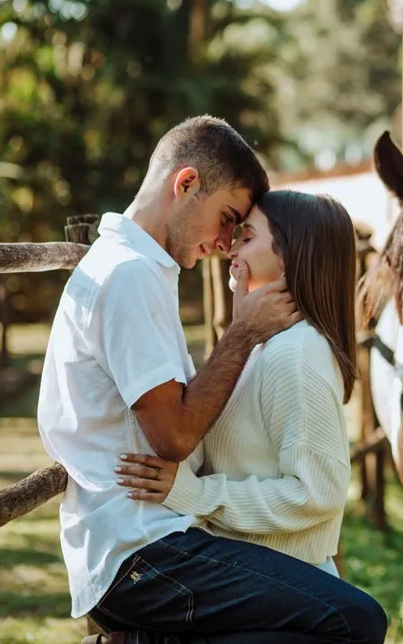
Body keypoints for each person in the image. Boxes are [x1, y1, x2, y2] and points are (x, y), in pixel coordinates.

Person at [35, 116, 387, 643]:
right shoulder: (130, 275)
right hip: (142, 549)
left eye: (242, 231)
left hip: (144, 541)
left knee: (338, 616)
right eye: (228, 220)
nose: (226, 244)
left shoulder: (140, 271)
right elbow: (174, 436)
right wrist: (240, 334)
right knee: (355, 622)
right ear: (186, 184)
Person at [115, 191, 358, 585]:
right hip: (249, 573)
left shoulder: (297, 352)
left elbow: (318, 492)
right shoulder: (262, 345)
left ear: (289, 256)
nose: (229, 246)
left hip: (288, 585)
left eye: (247, 237)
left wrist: (197, 495)